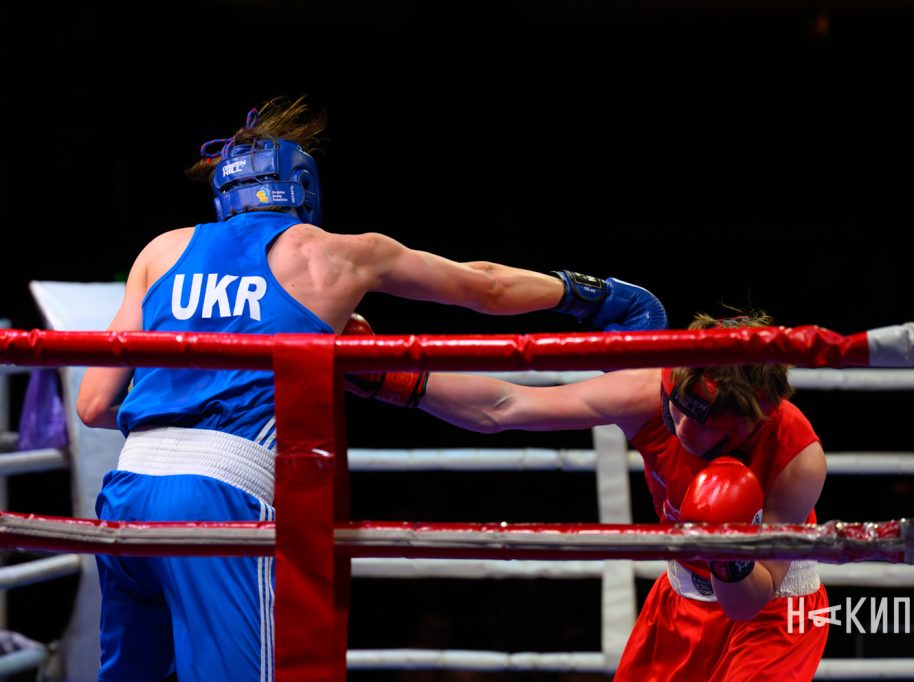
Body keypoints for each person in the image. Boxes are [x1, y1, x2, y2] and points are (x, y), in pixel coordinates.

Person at [74, 94, 667, 682]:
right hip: (220, 495)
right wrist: (589, 294)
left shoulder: (161, 251)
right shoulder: (339, 256)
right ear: (303, 187)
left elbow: (94, 404)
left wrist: (185, 398)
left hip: (125, 494)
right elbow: (484, 288)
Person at [350, 310, 829, 681]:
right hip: (681, 599)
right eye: (678, 407)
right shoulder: (649, 396)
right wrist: (396, 380)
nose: (680, 426)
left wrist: (728, 551)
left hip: (773, 612)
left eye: (701, 422)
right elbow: (508, 405)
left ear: (750, 421)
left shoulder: (796, 459)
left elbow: (747, 604)